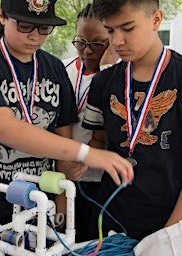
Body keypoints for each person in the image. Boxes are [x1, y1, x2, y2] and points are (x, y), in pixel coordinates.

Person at [0, 0, 133, 224]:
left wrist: (61, 201)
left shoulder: (53, 67)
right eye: (24, 26)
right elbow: (5, 129)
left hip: (37, 200)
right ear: (2, 16)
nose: (35, 36)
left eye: (43, 28)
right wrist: (88, 153)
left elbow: (62, 136)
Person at [82, 0, 182, 240]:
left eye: (128, 28)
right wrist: (82, 158)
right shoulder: (103, 82)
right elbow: (99, 142)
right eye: (110, 30)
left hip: (171, 222)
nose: (117, 41)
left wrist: (168, 236)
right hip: (108, 221)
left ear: (156, 20)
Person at [62, 3, 119, 242]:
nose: (87, 51)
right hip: (64, 173)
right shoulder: (63, 68)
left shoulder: (118, 74)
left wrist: (107, 67)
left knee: (91, 239)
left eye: (97, 44)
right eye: (81, 42)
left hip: (97, 178)